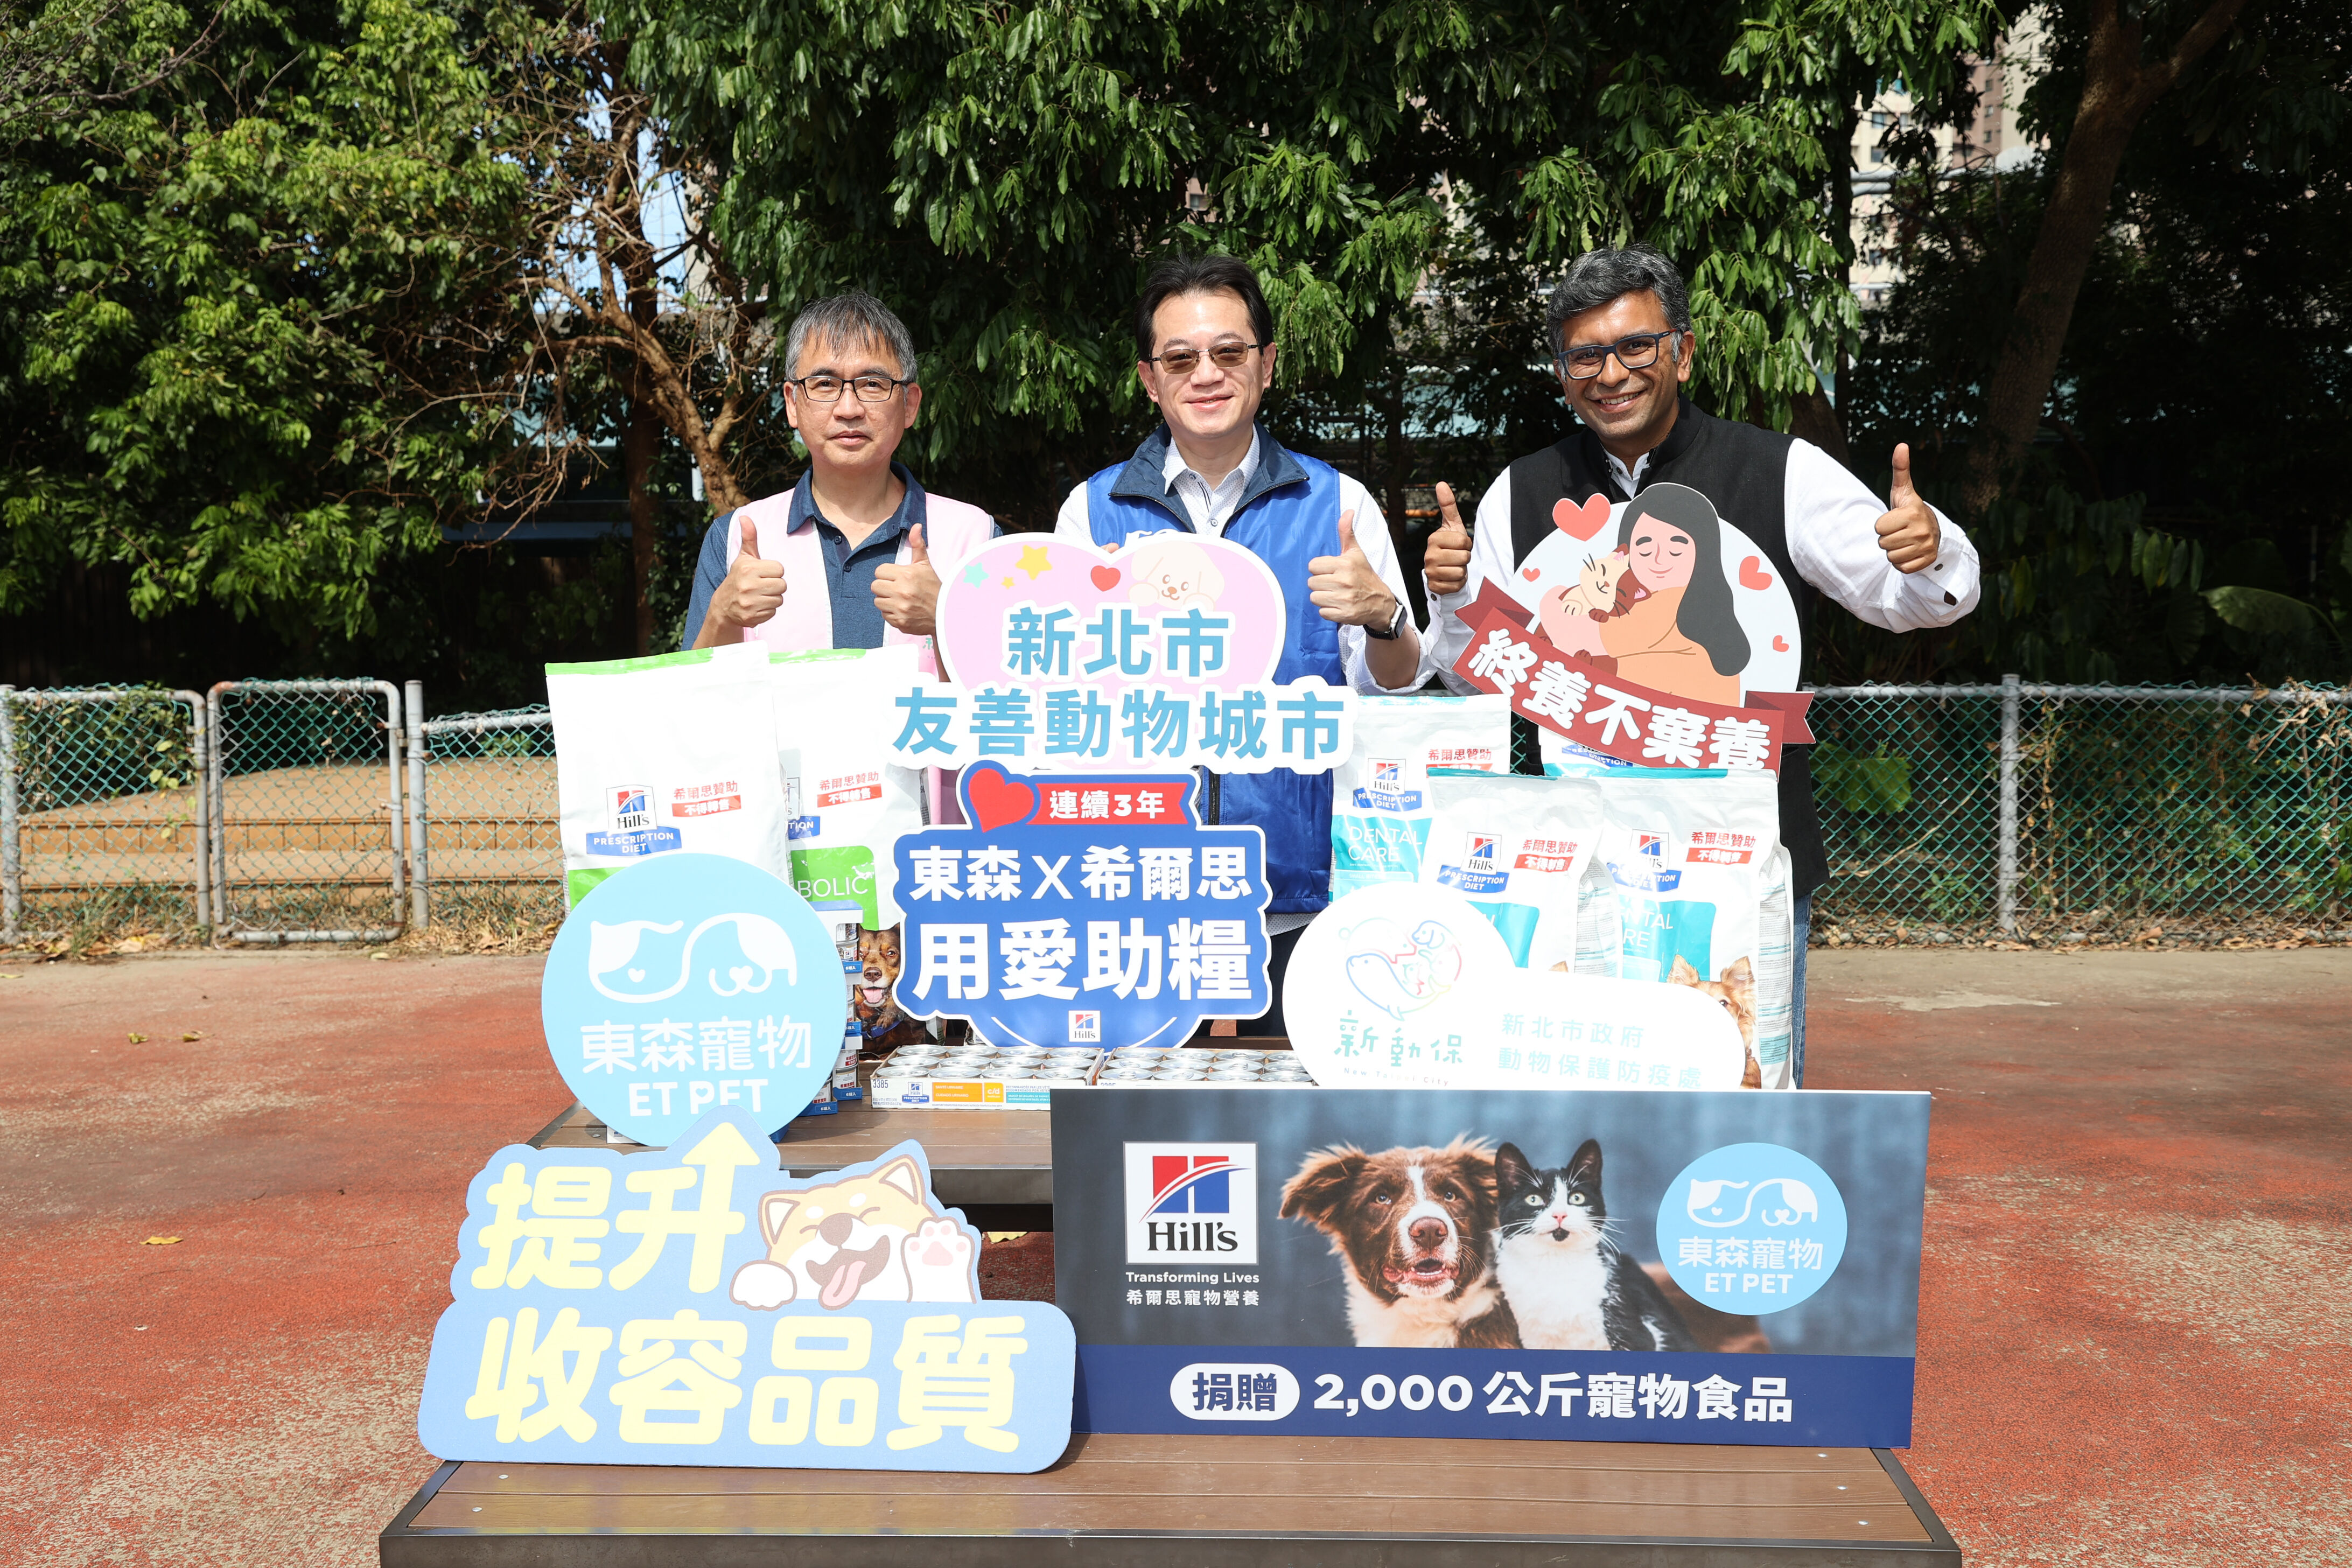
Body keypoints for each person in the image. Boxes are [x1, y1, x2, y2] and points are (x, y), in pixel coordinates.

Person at [1420, 244, 1981, 1083]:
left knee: (1741, 1093)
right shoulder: (1523, 492)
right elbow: (1477, 678)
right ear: (1563, 375)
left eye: (1635, 346)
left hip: (1738, 867)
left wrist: (1929, 552)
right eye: (1584, 356)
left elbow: (1914, 601)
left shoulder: (1778, 470)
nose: (1611, 374)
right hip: (1582, 875)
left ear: (1682, 352)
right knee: (1583, 1103)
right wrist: (1452, 597)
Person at [1055, 254, 1426, 1035]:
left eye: (1229, 352)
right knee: (1140, 1114)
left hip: (1301, 902)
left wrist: (1384, 615)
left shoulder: (1338, 504)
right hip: (1141, 900)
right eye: (1179, 359)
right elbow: (1062, 707)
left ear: (1267, 364)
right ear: (1149, 379)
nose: (1206, 375)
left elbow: (1395, 685)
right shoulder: (1092, 515)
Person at [683, 291, 997, 658]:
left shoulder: (975, 538)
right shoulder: (734, 538)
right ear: (792, 403)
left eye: (872, 384)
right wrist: (722, 615)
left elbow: (1011, 685)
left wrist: (947, 616)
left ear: (910, 404)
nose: (849, 409)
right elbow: (690, 691)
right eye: (825, 384)